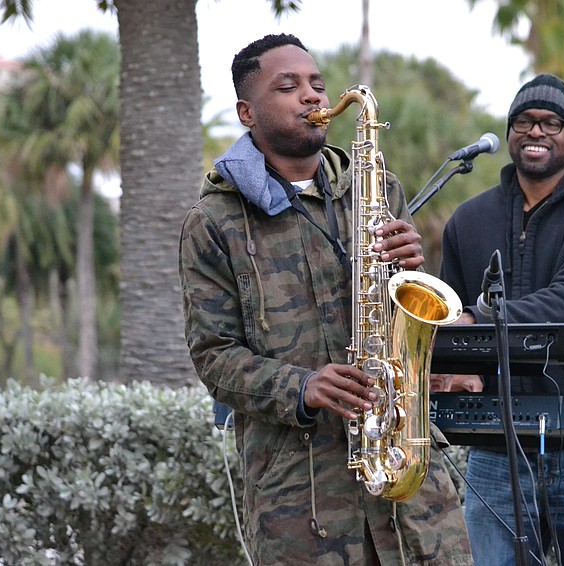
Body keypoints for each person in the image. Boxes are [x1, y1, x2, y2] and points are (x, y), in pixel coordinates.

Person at [178, 33, 473, 566]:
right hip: (301, 503)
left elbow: (402, 315)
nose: (312, 95)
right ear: (247, 113)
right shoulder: (213, 221)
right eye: (287, 86)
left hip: (412, 490)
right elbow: (213, 355)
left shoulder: (378, 189)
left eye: (316, 83)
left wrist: (409, 267)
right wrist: (302, 386)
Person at [437, 74, 564, 565]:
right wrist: (456, 369)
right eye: (524, 121)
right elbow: (449, 313)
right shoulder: (468, 219)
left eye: (552, 123)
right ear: (509, 132)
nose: (536, 131)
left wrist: (478, 317)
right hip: (496, 444)